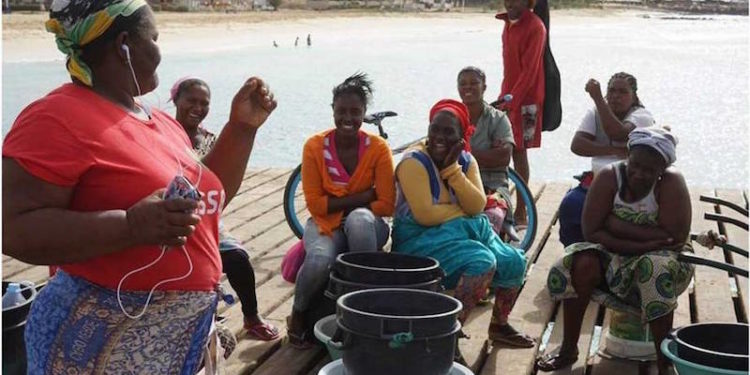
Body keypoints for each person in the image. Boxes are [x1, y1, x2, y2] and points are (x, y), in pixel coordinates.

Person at [2, 0, 276, 373]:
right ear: (125, 44)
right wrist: (130, 226)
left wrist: (242, 129)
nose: (160, 51)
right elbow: (13, 227)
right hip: (97, 345)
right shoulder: (56, 117)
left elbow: (204, 202)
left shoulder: (160, 121)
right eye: (155, 38)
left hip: (173, 338)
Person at [537, 128, 693, 375]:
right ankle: (568, 349)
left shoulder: (672, 183)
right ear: (628, 156)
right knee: (579, 261)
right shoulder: (610, 176)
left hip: (666, 261)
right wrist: (646, 241)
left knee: (654, 268)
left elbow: (675, 238)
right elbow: (591, 232)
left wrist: (615, 224)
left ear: (662, 170)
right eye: (636, 165)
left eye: (649, 170)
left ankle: (665, 364)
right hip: (618, 254)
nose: (639, 174)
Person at [392, 99, 534, 352]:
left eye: (449, 132)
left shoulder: (466, 161)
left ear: (462, 136)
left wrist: (452, 171)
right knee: (481, 261)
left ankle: (499, 325)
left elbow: (477, 205)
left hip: (462, 231)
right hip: (419, 239)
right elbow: (425, 215)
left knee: (515, 260)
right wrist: (463, 212)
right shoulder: (413, 161)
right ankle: (448, 334)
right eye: (435, 129)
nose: (439, 137)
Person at [287, 73, 396, 348]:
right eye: (341, 111)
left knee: (359, 220)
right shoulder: (314, 146)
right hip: (325, 225)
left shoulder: (378, 149)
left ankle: (362, 308)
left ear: (364, 113)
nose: (348, 118)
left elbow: (386, 204)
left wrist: (345, 203)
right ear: (332, 110)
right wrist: (363, 195)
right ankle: (298, 313)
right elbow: (316, 205)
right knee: (319, 259)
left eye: (355, 112)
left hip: (367, 227)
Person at [171, 77, 279, 341]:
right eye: (191, 101)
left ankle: (252, 317)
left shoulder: (213, 139)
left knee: (238, 257)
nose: (197, 107)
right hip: (172, 218)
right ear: (176, 100)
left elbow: (222, 185)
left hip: (209, 218)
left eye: (204, 103)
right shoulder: (164, 134)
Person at [558, 72, 655, 247]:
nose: (615, 96)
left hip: (630, 183)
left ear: (634, 97)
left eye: (622, 92)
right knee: (571, 204)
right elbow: (577, 145)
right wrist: (612, 150)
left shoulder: (642, 116)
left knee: (611, 214)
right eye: (611, 91)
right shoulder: (596, 112)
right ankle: (575, 249)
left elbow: (617, 132)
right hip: (598, 179)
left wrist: (597, 98)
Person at [496, 0, 546, 227]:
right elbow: (510, 69)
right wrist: (504, 97)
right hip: (506, 96)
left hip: (528, 103)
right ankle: (499, 203)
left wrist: (512, 101)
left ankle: (522, 210)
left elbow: (530, 71)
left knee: (520, 152)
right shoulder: (507, 24)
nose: (510, 2)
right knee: (500, 147)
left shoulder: (536, 26)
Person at [457, 66, 520, 240]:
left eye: (474, 83)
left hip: (493, 184)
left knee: (495, 215)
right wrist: (487, 154)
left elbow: (503, 158)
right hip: (457, 183)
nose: (468, 88)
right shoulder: (451, 118)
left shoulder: (499, 119)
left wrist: (463, 152)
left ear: (484, 87)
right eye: (463, 84)